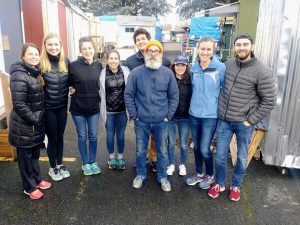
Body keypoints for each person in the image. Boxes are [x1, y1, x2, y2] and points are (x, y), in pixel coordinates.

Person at [208, 33, 276, 201]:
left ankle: (236, 186)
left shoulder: (262, 71)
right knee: (220, 155)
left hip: (243, 123)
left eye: (245, 44)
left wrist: (250, 120)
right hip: (224, 120)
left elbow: (269, 101)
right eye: (238, 45)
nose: (241, 48)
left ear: (251, 47)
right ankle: (220, 183)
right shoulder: (228, 65)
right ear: (234, 48)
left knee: (242, 157)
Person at [124, 40, 179, 192]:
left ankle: (162, 177)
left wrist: (168, 115)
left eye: (156, 51)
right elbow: (128, 95)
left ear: (161, 54)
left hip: (162, 121)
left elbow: (174, 96)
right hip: (142, 120)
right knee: (141, 150)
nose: (153, 54)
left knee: (162, 151)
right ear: (145, 53)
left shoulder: (168, 73)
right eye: (150, 51)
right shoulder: (136, 73)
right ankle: (140, 175)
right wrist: (134, 115)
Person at [124, 28, 171, 172]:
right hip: (140, 107)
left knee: (157, 139)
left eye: (143, 38)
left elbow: (170, 87)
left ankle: (155, 159)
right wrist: (134, 113)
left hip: (157, 108)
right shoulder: (130, 61)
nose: (141, 42)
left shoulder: (163, 60)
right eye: (138, 40)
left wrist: (168, 113)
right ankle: (142, 159)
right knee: (141, 138)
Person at [9, 43, 51, 200]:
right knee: (25, 158)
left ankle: (37, 180)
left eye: (36, 54)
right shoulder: (19, 75)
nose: (34, 56)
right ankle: (29, 186)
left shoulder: (34, 72)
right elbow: (19, 104)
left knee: (34, 155)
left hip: (34, 125)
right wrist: (34, 119)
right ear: (23, 56)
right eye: (30, 54)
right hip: (24, 125)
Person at [185, 37, 225, 190]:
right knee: (195, 147)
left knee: (204, 148)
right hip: (194, 114)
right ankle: (199, 173)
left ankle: (210, 175)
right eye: (202, 49)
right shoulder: (194, 67)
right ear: (198, 49)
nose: (205, 52)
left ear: (213, 51)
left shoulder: (220, 68)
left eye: (208, 49)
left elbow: (225, 90)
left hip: (210, 116)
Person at [69, 37, 102, 176]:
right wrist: (71, 87)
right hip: (78, 108)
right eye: (84, 49)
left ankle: (93, 161)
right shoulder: (73, 65)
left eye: (89, 48)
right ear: (80, 50)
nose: (87, 51)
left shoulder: (98, 65)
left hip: (94, 107)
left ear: (94, 49)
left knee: (93, 136)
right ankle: (85, 163)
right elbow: (68, 82)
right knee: (82, 136)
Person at [40, 33, 70, 181]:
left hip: (62, 107)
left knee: (60, 137)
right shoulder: (41, 64)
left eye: (56, 44)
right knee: (53, 138)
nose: (53, 47)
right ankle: (53, 168)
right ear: (45, 46)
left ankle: (60, 164)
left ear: (60, 46)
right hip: (48, 108)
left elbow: (72, 80)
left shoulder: (66, 62)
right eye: (50, 44)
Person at [99, 50, 130, 170]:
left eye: (116, 58)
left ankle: (120, 158)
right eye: (111, 58)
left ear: (119, 60)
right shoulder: (102, 74)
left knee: (121, 136)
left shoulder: (126, 72)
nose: (113, 61)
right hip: (108, 112)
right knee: (110, 136)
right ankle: (112, 158)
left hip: (122, 111)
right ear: (107, 60)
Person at [166, 54, 192, 176]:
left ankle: (182, 164)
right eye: (178, 65)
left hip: (185, 117)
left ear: (186, 66)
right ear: (174, 66)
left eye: (183, 65)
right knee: (171, 142)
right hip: (171, 116)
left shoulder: (190, 80)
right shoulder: (169, 79)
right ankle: (171, 164)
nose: (180, 67)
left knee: (183, 143)